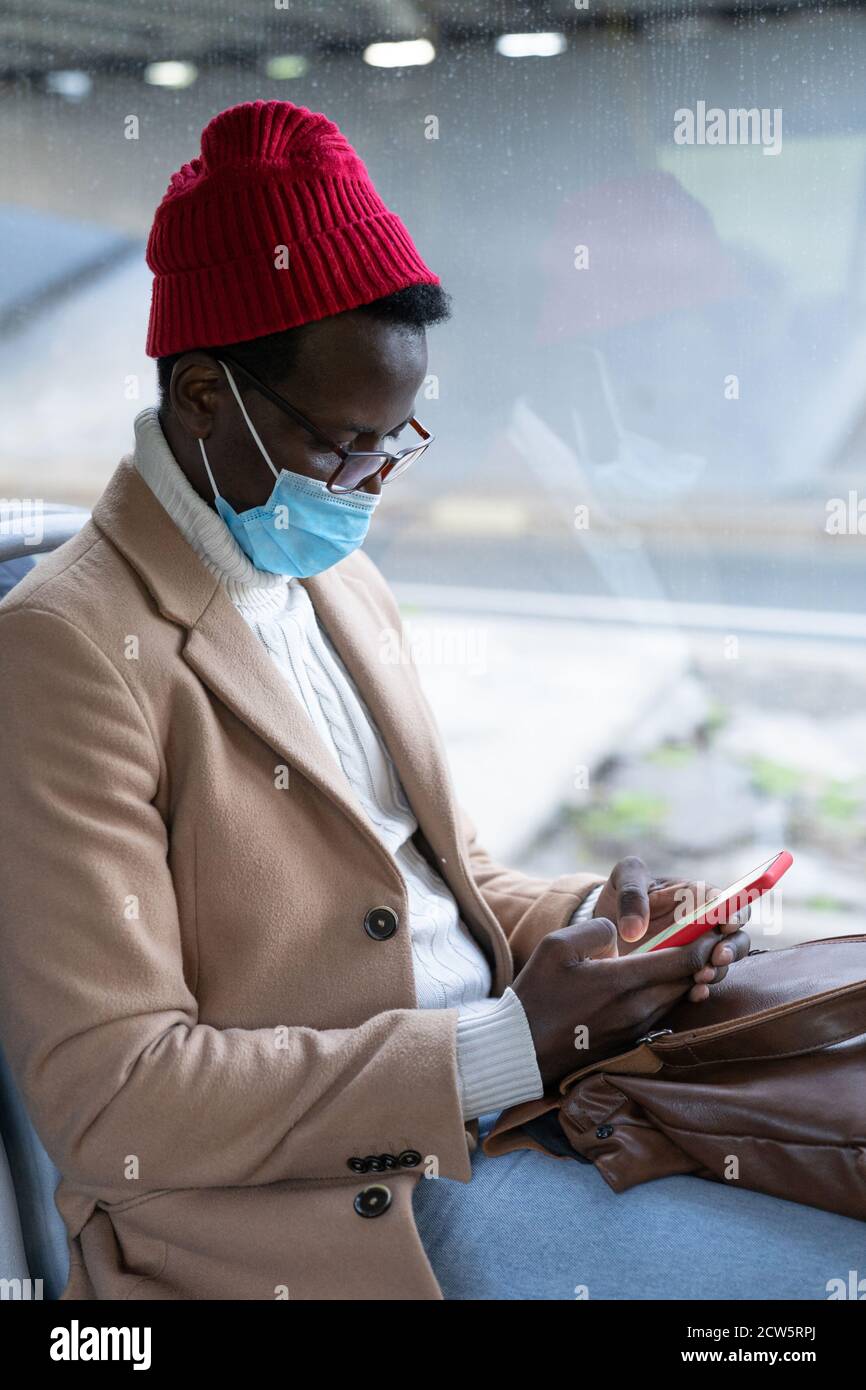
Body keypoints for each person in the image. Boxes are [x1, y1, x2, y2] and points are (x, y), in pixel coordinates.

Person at [0, 100, 859, 1302]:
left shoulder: (335, 579)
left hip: (515, 1101)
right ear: (204, 396)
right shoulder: (65, 648)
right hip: (326, 1207)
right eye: (344, 447)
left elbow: (424, 891)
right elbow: (116, 1096)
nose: (371, 486)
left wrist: (605, 926)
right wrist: (501, 1044)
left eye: (397, 439)